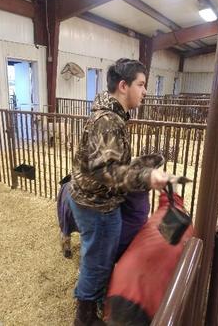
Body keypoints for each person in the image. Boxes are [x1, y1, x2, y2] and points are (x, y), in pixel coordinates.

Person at [68, 58, 170, 326]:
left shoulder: (111, 116)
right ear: (123, 86)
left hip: (92, 198)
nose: (145, 91)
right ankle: (85, 318)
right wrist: (145, 175)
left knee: (98, 256)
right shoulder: (109, 120)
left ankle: (94, 301)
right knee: (98, 261)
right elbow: (105, 170)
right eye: (141, 84)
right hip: (97, 204)